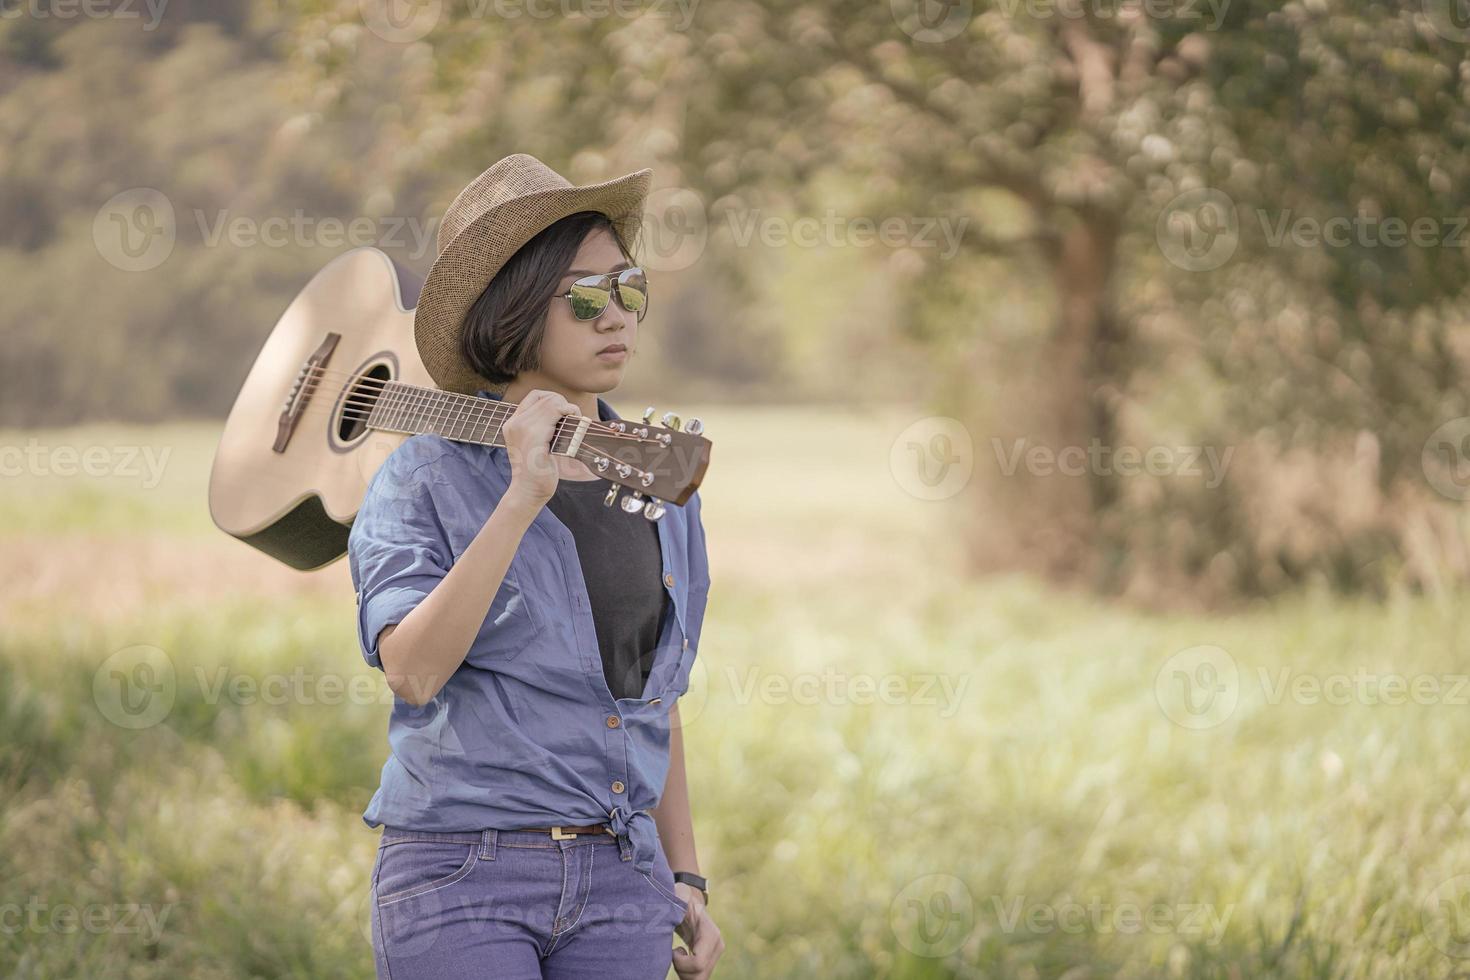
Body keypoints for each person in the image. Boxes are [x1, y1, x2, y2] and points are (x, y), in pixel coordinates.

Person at [348, 154, 724, 979]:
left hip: (622, 877)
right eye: (587, 297)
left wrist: (685, 874)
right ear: (513, 312)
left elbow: (652, 698)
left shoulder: (661, 480)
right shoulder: (425, 476)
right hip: (462, 874)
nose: (616, 316)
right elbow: (412, 671)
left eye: (628, 288)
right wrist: (521, 497)